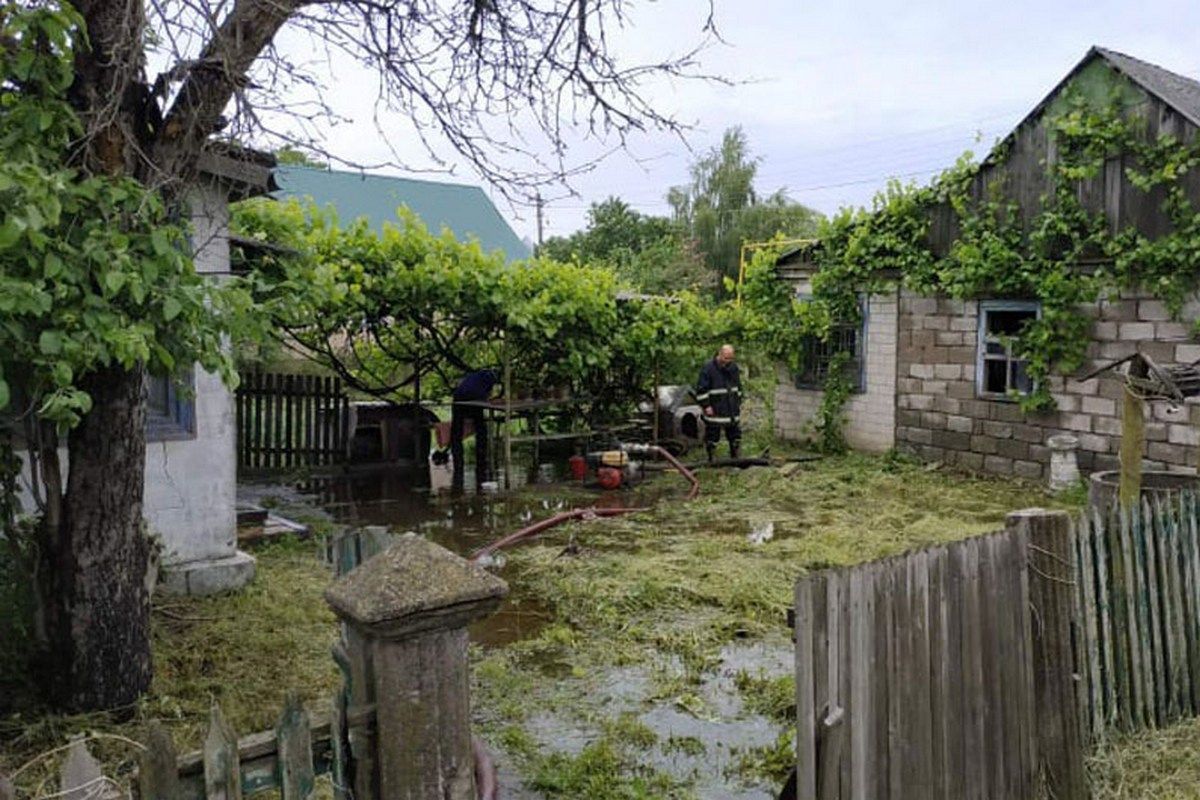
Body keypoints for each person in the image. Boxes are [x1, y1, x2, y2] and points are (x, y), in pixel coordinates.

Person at [450, 368, 499, 484]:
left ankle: (458, 462)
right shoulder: (489, 378)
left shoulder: (474, 376)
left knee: (456, 431)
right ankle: (481, 458)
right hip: (472, 399)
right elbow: (486, 396)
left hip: (458, 399)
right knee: (481, 429)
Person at [695, 344, 741, 462]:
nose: (728, 361)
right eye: (726, 358)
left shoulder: (734, 368)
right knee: (712, 433)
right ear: (719, 354)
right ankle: (712, 456)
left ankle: (735, 456)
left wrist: (738, 400)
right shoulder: (708, 368)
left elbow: (738, 386)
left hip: (731, 408)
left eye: (731, 358)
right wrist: (706, 405)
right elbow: (701, 389)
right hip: (715, 407)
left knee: (734, 433)